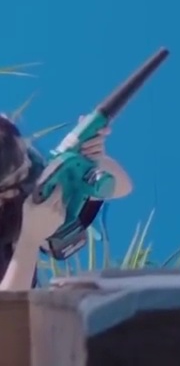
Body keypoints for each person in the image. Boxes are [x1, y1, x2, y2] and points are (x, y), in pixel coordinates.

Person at [0, 117, 132, 290]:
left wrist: (88, 160)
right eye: (19, 175)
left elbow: (121, 186)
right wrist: (30, 240)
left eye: (27, 154)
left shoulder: (26, 185)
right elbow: (9, 307)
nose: (31, 169)